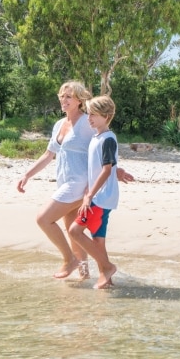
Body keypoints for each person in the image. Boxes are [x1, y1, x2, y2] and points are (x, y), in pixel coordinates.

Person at [16, 81, 133, 280]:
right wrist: (27, 174)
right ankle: (84, 276)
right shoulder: (58, 125)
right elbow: (48, 154)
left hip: (79, 184)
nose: (64, 99)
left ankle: (69, 260)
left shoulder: (88, 122)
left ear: (79, 100)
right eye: (62, 95)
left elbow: (102, 145)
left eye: (68, 96)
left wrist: (115, 170)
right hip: (64, 181)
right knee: (73, 235)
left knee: (43, 219)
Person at [68, 96, 120, 289]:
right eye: (88, 113)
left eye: (93, 114)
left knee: (74, 231)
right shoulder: (97, 137)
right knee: (98, 241)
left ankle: (107, 267)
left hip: (101, 198)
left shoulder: (107, 138)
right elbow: (106, 167)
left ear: (106, 116)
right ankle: (107, 280)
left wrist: (90, 195)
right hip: (100, 196)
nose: (89, 118)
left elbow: (107, 169)